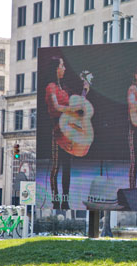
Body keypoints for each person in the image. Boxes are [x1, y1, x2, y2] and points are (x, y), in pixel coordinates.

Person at [45, 56, 93, 209]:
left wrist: (84, 91)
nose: (64, 68)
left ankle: (65, 201)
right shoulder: (51, 86)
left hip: (68, 130)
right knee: (56, 167)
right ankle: (55, 200)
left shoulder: (64, 88)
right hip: (57, 130)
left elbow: (76, 104)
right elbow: (56, 106)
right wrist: (73, 109)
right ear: (55, 69)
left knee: (67, 167)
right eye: (62, 65)